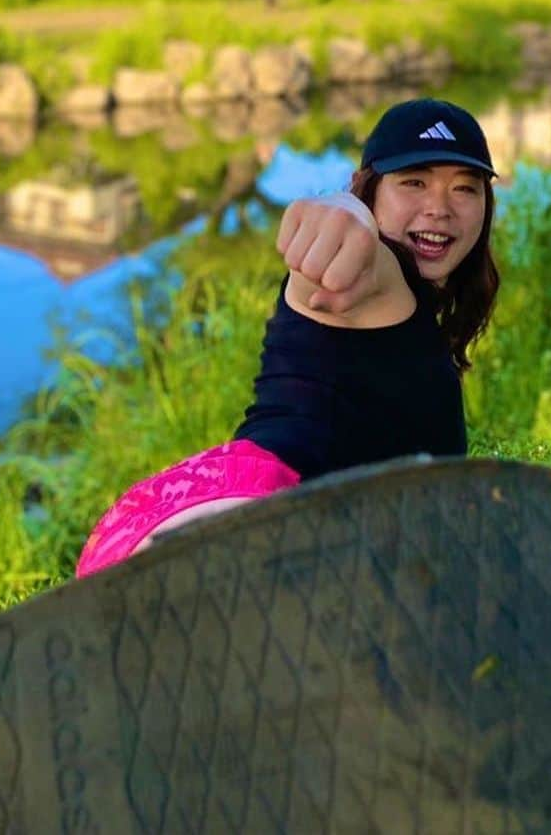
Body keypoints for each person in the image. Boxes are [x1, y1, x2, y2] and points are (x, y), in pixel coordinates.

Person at [76, 97, 499, 577]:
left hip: (204, 515)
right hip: (249, 509)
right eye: (414, 182)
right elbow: (346, 229)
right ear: (369, 192)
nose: (439, 208)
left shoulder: (417, 313)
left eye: (465, 188)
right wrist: (341, 219)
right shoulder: (373, 278)